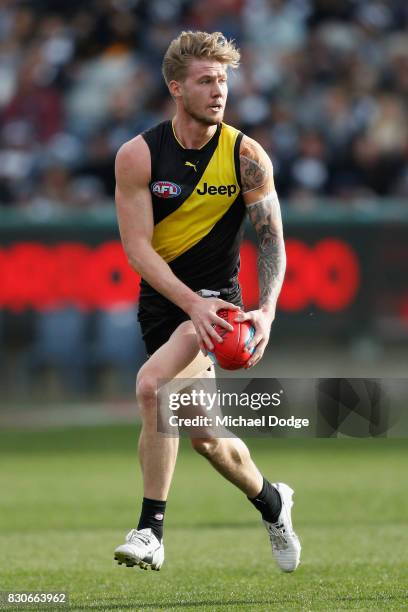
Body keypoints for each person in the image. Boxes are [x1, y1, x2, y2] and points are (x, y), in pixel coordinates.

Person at [113, 31, 301, 573]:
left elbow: (272, 241)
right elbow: (138, 250)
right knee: (207, 439)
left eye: (223, 80)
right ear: (176, 87)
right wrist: (186, 303)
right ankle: (272, 500)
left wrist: (264, 310)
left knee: (152, 387)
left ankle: (150, 530)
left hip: (218, 305)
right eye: (205, 80)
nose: (218, 90)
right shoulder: (138, 155)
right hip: (165, 303)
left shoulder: (246, 155)